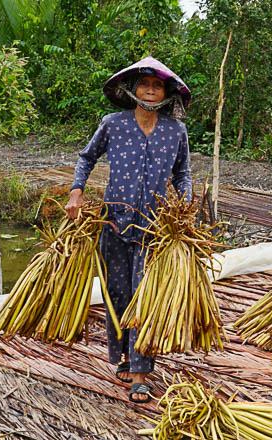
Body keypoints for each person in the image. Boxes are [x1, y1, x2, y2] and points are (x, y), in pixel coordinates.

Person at [65, 56, 192, 403]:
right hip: (113, 223)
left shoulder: (175, 131)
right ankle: (121, 356)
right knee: (117, 293)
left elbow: (182, 174)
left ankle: (140, 373)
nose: (150, 90)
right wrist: (77, 189)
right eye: (145, 84)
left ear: (166, 93)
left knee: (144, 297)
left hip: (156, 228)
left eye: (157, 85)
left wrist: (186, 208)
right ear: (133, 89)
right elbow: (87, 156)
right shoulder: (113, 124)